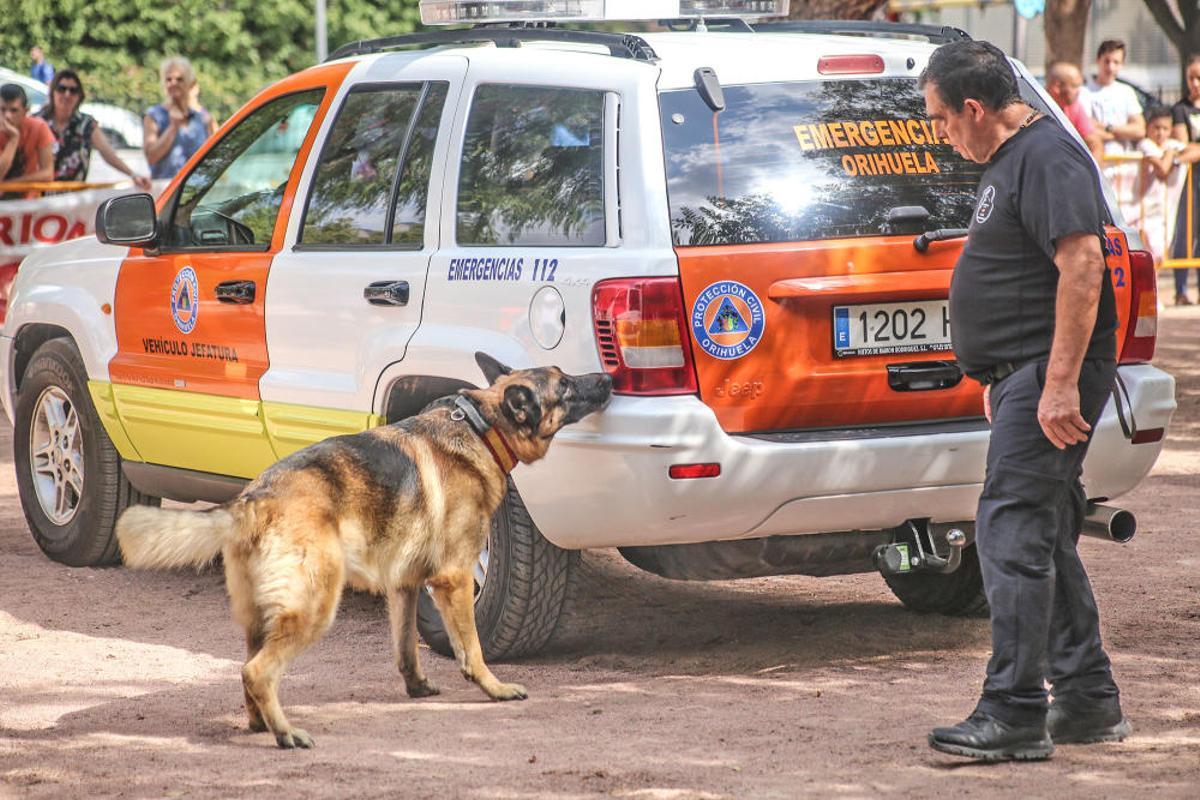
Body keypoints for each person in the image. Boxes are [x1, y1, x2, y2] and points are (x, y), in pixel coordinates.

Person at [920, 40, 1129, 762]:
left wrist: (1057, 382)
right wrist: (999, 376)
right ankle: (1088, 699)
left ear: (976, 108)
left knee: (1009, 529)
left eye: (942, 118)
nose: (941, 133)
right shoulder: (1013, 159)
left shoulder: (1048, 156)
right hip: (1025, 375)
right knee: (1043, 528)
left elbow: (1084, 264)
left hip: (1050, 375)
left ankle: (1012, 711)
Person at [35, 70, 151, 190]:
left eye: (73, 90)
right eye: (62, 89)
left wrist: (133, 174)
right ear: (52, 92)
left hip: (72, 196)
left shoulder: (86, 124)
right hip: (38, 194)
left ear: (79, 96)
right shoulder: (37, 121)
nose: (67, 95)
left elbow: (108, 153)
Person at [1136, 106, 1200, 303]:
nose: (1160, 133)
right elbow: (1163, 170)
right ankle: (1145, 298)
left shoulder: (1171, 145)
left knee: (1157, 255)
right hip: (1143, 210)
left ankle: (1150, 298)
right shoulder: (1145, 145)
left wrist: (1177, 158)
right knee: (1145, 255)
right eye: (1156, 128)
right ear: (1148, 128)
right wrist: (1171, 155)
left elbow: (1196, 150)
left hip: (1164, 212)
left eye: (1165, 128)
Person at [142, 57, 216, 180]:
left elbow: (215, 158)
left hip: (197, 186)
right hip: (167, 187)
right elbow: (151, 157)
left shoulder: (203, 118)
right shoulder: (154, 116)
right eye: (168, 79)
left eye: (179, 79)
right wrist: (173, 127)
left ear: (190, 84)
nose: (173, 83)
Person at [1169, 54, 1200, 304]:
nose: (1195, 83)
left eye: (1199, 77)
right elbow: (1182, 145)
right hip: (1189, 178)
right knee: (1185, 232)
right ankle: (1180, 289)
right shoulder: (1180, 109)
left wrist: (1194, 149)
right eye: (1191, 78)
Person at [1085, 40, 1146, 156]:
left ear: (1122, 65)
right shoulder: (1084, 92)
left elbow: (1139, 130)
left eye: (1116, 62)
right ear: (1098, 60)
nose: (1111, 67)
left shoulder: (1126, 92)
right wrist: (1124, 133)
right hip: (1098, 160)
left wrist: (1107, 128)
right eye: (1107, 61)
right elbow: (1086, 129)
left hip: (1125, 162)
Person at [0, 83, 54, 199]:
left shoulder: (39, 127)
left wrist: (11, 184)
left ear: (25, 111)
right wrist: (13, 140)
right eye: (2, 109)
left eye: (14, 110)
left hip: (27, 202)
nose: (7, 116)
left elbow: (48, 173)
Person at [1044, 61, 1104, 160]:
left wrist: (1091, 169)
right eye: (1074, 86)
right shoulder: (1033, 107)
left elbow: (1095, 144)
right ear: (1056, 87)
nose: (1079, 91)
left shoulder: (1075, 107)